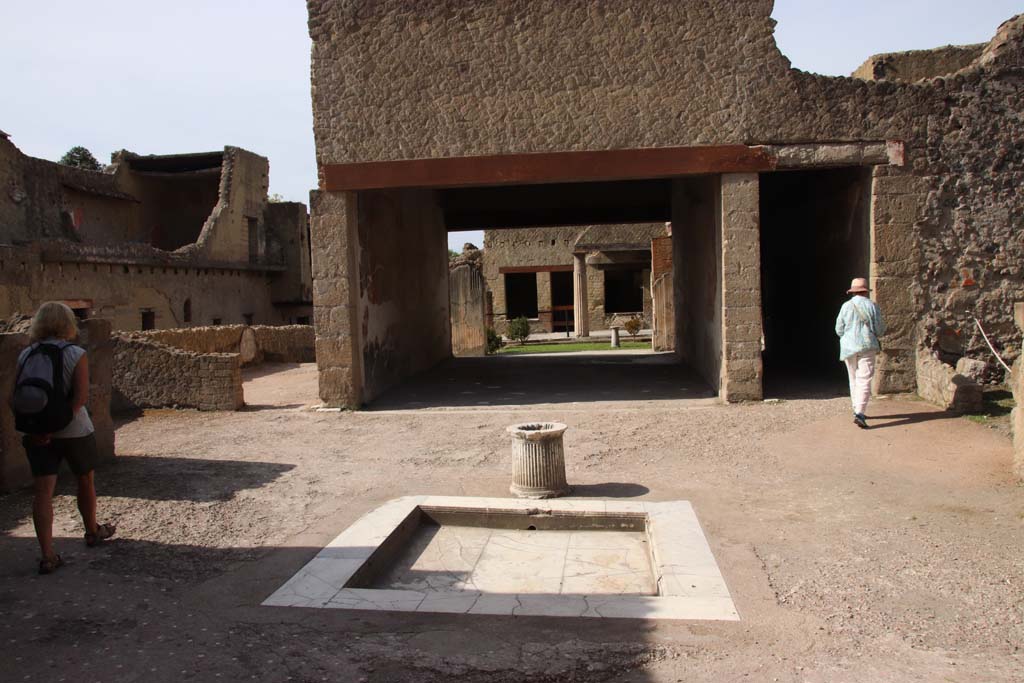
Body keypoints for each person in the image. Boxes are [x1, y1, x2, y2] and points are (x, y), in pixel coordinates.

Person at [14, 302, 115, 574]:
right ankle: (92, 531)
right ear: (67, 324)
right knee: (85, 480)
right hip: (74, 430)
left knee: (43, 492)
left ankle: (48, 555)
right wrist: (58, 424)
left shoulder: (26, 355)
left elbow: (16, 397)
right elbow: (80, 398)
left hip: (37, 432)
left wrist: (40, 429)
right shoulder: (74, 353)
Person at [835, 278, 886, 429]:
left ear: (853, 292)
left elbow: (838, 329)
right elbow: (879, 329)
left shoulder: (846, 306)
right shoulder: (872, 306)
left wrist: (848, 337)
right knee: (864, 379)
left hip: (849, 347)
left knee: (853, 378)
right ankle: (860, 413)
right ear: (865, 291)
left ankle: (856, 408)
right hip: (867, 345)